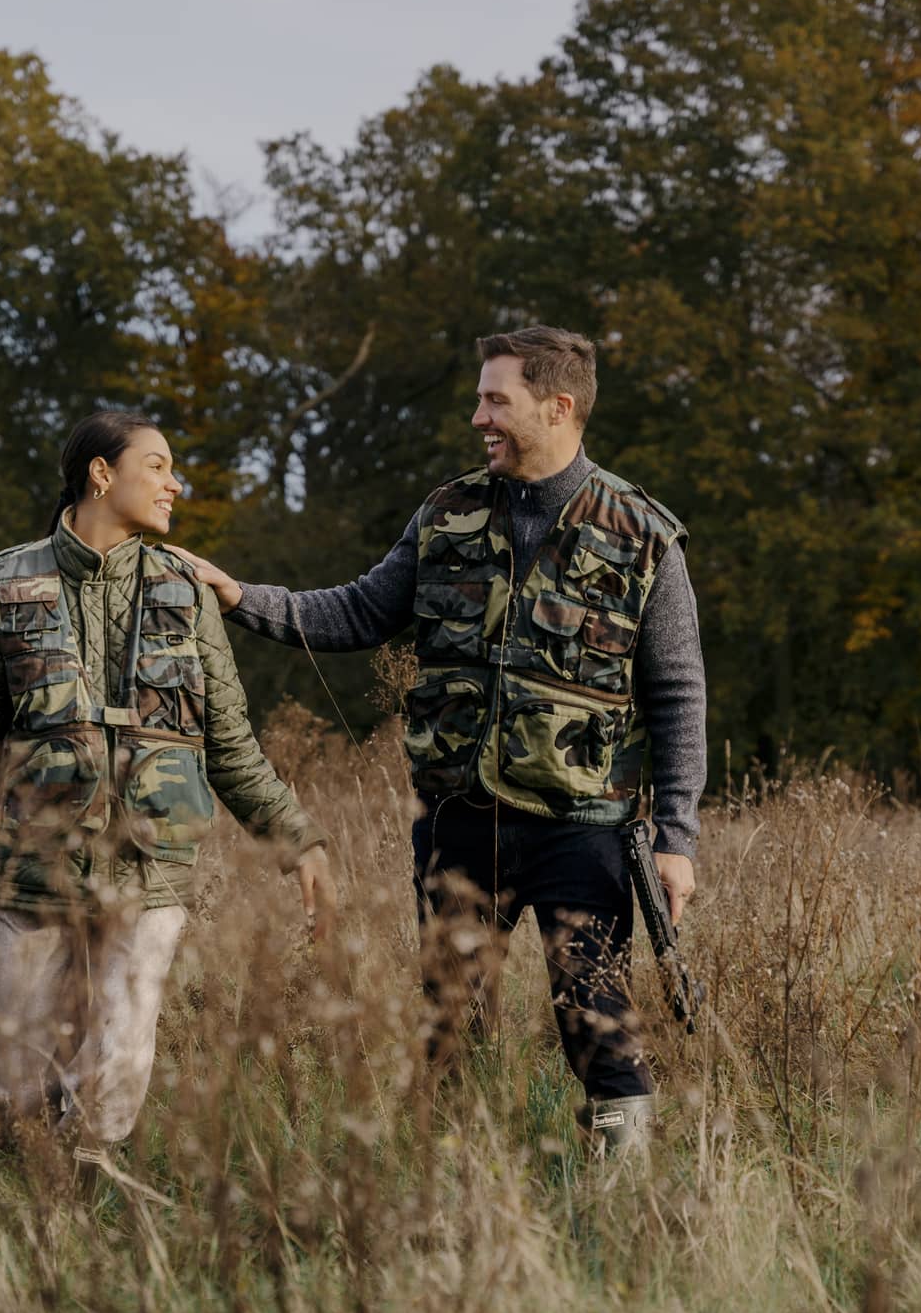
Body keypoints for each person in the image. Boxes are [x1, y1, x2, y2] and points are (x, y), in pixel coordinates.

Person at [170, 327, 706, 1152]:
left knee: (595, 1021)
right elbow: (355, 611)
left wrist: (675, 836)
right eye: (480, 398)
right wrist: (239, 595)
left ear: (557, 407)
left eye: (497, 400)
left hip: (585, 828)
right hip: (459, 822)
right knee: (451, 1026)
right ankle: (453, 1180)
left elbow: (676, 692)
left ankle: (622, 1187)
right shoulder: (446, 513)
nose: (477, 416)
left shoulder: (643, 535)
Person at [0, 410, 336, 1157]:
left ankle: (87, 1198)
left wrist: (298, 840)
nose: (176, 484)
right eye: (159, 466)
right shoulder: (1, 586)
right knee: (10, 1083)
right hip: (34, 871)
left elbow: (229, 742)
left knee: (118, 1068)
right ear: (101, 474)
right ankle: (9, 1205)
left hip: (151, 869)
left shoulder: (188, 590)